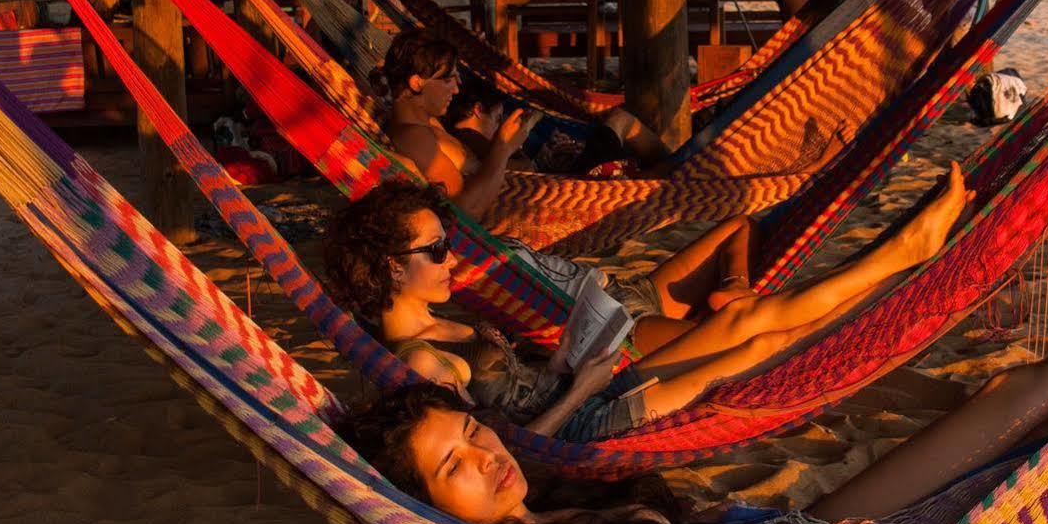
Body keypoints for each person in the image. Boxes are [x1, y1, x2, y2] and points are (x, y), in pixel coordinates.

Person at [350, 137, 1048, 524]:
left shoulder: (542, 511)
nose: (486, 455)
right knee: (1027, 404)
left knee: (1022, 395)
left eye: (470, 436)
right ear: (425, 513)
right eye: (454, 469)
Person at [328, 167, 972, 443]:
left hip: (587, 385)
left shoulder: (446, 324)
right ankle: (899, 270)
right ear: (390, 266)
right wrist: (580, 389)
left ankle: (901, 261)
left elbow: (519, 391)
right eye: (437, 250)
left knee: (744, 328)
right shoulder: (422, 365)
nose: (452, 259)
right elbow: (512, 451)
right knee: (756, 348)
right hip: (583, 427)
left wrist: (565, 366)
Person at [375, 29, 652, 213]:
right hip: (536, 210)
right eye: (448, 79)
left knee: (641, 172)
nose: (457, 88)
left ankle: (676, 172)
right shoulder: (414, 137)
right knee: (641, 176)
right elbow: (464, 213)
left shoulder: (428, 125)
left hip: (542, 193)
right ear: (416, 82)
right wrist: (503, 148)